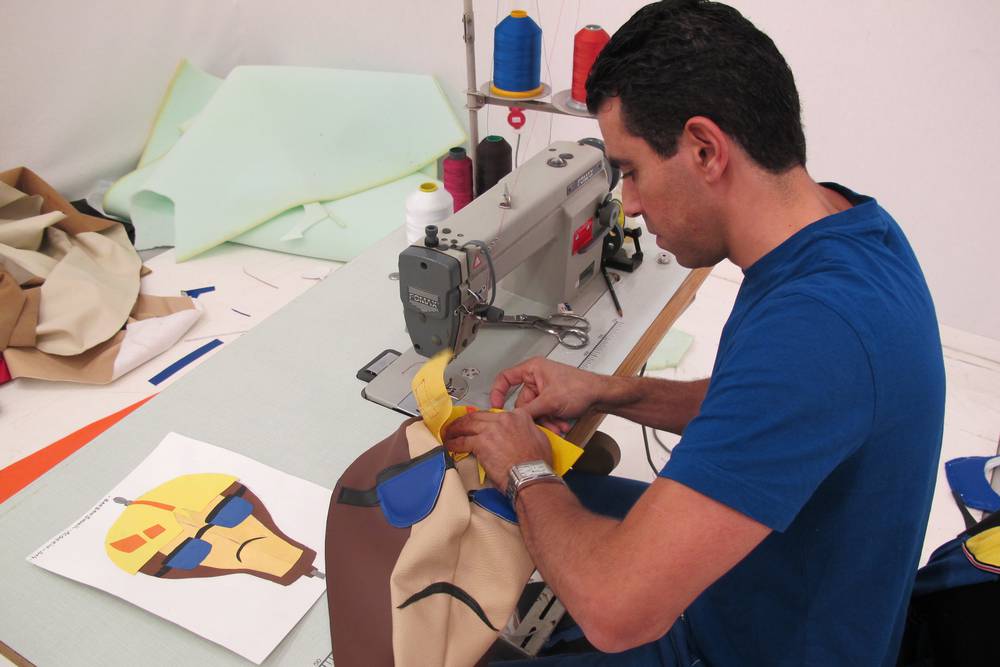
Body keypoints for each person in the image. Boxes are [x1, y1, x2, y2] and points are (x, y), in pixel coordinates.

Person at [442, 1, 946, 665]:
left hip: (744, 643)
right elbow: (755, 406)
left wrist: (526, 466)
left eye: (630, 170)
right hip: (766, 573)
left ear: (705, 149)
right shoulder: (848, 229)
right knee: (550, 500)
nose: (632, 203)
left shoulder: (818, 335)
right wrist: (607, 391)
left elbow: (614, 608)